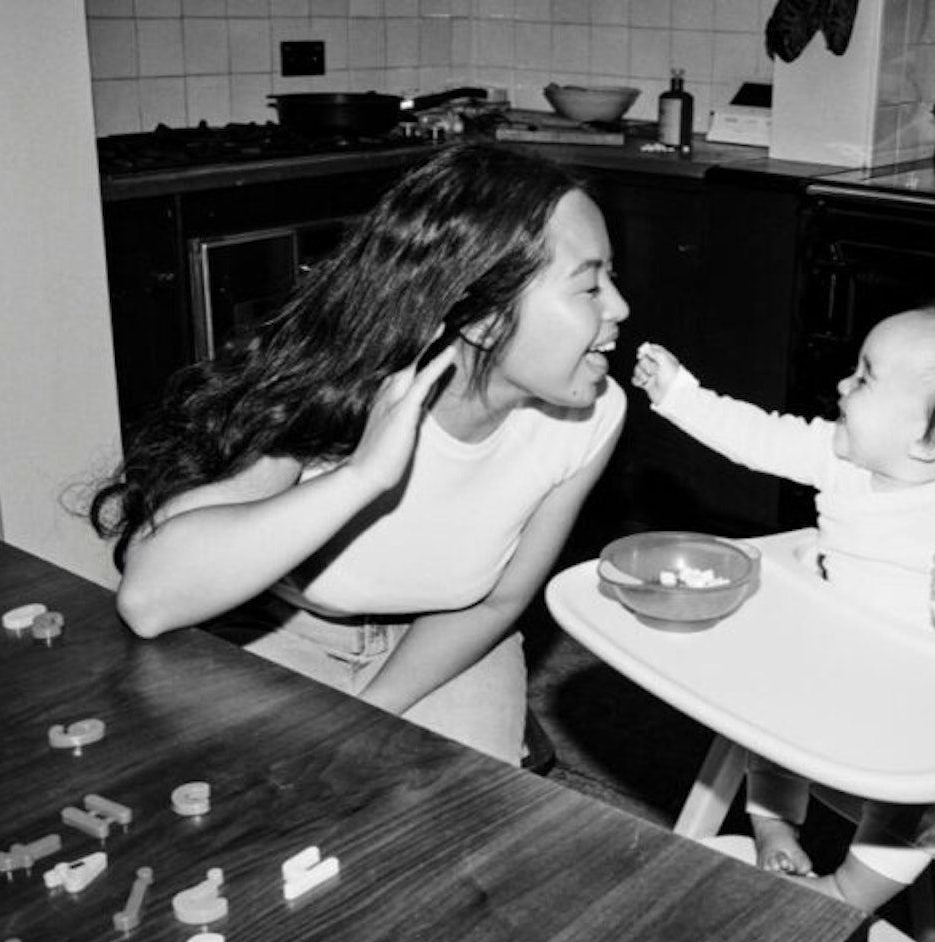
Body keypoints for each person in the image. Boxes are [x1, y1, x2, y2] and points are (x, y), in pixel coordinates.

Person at [90, 143, 628, 766]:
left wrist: (369, 712)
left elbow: (501, 600)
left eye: (611, 279)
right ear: (482, 318)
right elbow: (149, 601)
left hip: (450, 638)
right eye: (589, 286)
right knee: (252, 813)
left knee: (458, 828)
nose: (619, 307)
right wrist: (364, 475)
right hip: (285, 628)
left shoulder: (593, 415)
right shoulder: (334, 389)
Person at [632, 302, 935, 911]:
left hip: (925, 704)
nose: (843, 385)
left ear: (931, 439)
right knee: (768, 707)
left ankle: (846, 893)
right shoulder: (842, 463)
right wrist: (681, 395)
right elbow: (760, 437)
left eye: (866, 377)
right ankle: (773, 824)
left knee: (917, 798)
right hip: (840, 676)